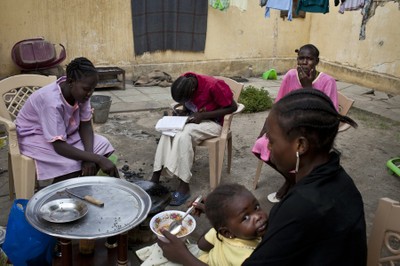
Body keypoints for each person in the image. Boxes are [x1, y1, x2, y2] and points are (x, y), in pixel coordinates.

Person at [158, 89, 367, 265]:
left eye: (272, 141)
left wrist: (183, 257)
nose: (267, 146)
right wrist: (222, 213)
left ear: (300, 146)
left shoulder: (303, 206)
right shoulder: (338, 180)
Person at [252, 43, 339, 203]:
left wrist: (308, 87)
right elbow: (278, 105)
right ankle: (291, 179)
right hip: (288, 130)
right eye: (301, 58)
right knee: (260, 144)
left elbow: (329, 115)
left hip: (312, 135)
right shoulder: (291, 76)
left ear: (317, 61)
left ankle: (297, 183)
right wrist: (266, 128)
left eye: (309, 59)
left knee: (296, 150)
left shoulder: (328, 81)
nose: (304, 62)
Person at [15, 57, 119, 186]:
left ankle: (80, 184)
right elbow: (59, 147)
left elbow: (85, 125)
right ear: (70, 82)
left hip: (63, 133)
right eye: (87, 89)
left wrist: (89, 158)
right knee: (72, 162)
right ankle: (59, 192)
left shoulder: (81, 94)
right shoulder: (52, 102)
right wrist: (96, 158)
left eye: (93, 89)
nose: (90, 94)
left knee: (102, 144)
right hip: (35, 138)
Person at [150, 72, 237, 206]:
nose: (184, 103)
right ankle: (155, 176)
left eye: (185, 100)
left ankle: (184, 185)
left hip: (214, 123)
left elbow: (233, 107)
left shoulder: (213, 85)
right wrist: (183, 112)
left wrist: (204, 115)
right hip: (194, 120)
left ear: (192, 91)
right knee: (167, 131)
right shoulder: (186, 81)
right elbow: (189, 106)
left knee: (184, 135)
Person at [137, 183, 268, 265]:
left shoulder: (246, 257)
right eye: (245, 217)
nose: (258, 217)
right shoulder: (227, 233)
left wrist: (183, 256)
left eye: (256, 207)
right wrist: (216, 217)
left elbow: (202, 245)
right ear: (226, 232)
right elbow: (202, 245)